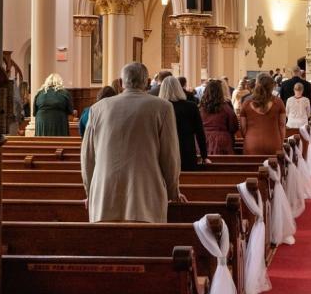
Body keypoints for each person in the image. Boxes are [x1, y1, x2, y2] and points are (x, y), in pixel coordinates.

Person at [81, 62, 184, 223]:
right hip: (145, 195)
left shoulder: (97, 108)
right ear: (147, 82)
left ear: (121, 83)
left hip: (104, 195)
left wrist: (90, 192)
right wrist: (173, 192)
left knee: (106, 239)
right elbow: (170, 155)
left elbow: (87, 157)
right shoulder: (163, 107)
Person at [159, 76, 208, 171]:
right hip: (186, 149)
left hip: (165, 150)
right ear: (179, 88)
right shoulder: (191, 106)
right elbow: (199, 132)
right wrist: (204, 155)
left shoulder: (159, 108)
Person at [239, 74, 287, 155]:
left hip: (252, 143)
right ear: (271, 87)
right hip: (274, 142)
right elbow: (282, 125)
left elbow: (243, 128)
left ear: (256, 85)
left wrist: (248, 138)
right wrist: (280, 142)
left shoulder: (246, 104)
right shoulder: (278, 102)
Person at [200, 79, 238, 155]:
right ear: (220, 92)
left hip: (203, 139)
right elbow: (233, 126)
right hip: (221, 140)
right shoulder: (226, 108)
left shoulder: (200, 108)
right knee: (223, 162)